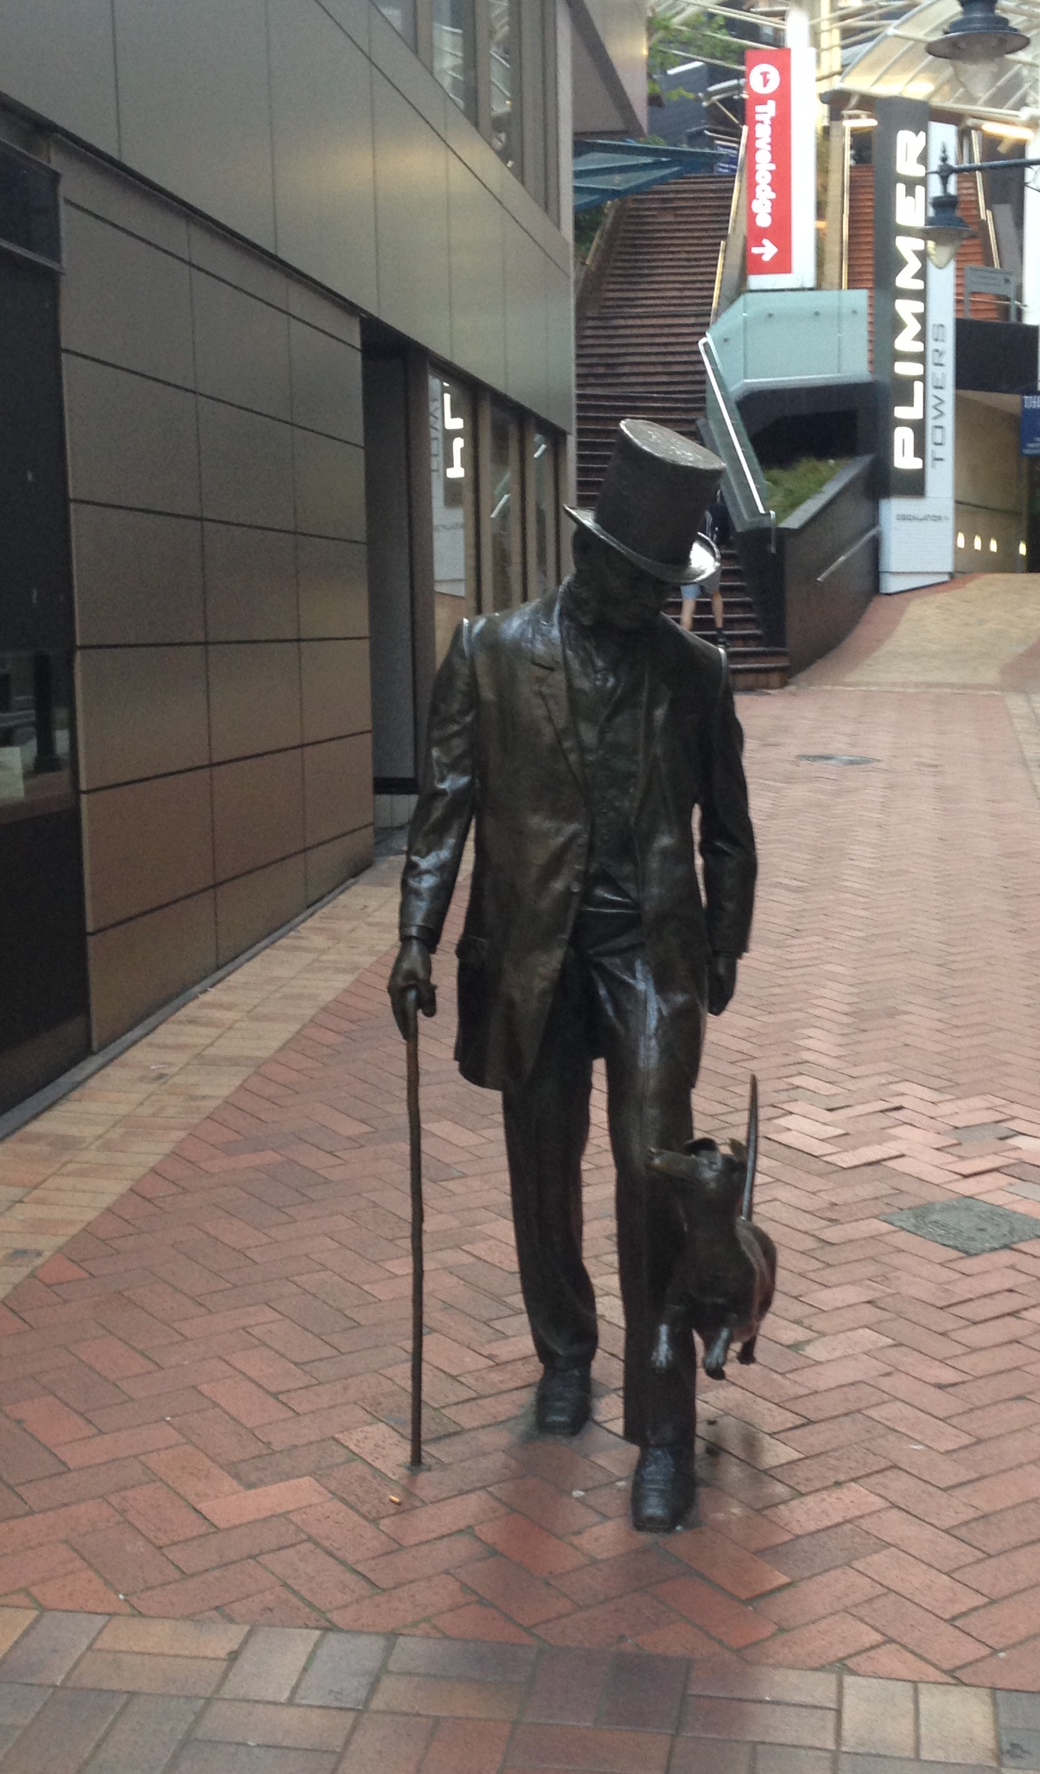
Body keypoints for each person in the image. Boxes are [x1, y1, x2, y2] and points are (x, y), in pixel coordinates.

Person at [388, 420, 756, 1533]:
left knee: (655, 1169)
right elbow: (445, 807)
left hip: (650, 954)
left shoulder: (694, 674)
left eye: (663, 587)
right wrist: (415, 935)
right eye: (634, 581)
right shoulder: (490, 652)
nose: (649, 604)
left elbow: (728, 833)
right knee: (541, 1167)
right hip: (530, 954)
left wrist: (722, 948)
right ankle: (563, 1351)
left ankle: (663, 1428)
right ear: (590, 555)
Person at [678, 491, 731, 645]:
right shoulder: (720, 510)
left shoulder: (690, 509)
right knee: (715, 593)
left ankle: (684, 639)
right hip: (711, 557)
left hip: (690, 558)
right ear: (717, 494)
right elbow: (725, 534)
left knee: (688, 601)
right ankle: (720, 633)